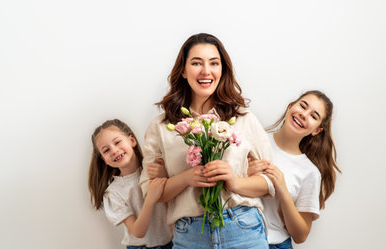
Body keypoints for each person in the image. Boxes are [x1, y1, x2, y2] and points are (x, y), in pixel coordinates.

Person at [139, 33, 275, 249]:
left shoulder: (242, 118)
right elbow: (151, 192)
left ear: (222, 70)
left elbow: (270, 183)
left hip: (243, 230)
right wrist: (185, 179)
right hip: (189, 235)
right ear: (183, 70)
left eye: (214, 63)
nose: (206, 71)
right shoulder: (162, 126)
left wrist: (233, 181)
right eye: (196, 63)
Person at [247, 90, 341, 249]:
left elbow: (300, 235)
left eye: (314, 116)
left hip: (274, 244)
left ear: (316, 130)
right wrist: (246, 173)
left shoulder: (310, 172)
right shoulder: (254, 139)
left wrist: (283, 190)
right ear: (290, 107)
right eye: (303, 106)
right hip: (235, 238)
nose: (304, 114)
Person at [88, 119, 173, 249]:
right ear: (104, 160)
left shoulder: (156, 167)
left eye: (117, 142)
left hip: (173, 242)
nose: (114, 150)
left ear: (132, 141)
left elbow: (174, 203)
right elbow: (138, 232)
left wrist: (164, 176)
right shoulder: (113, 192)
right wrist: (150, 199)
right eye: (106, 150)